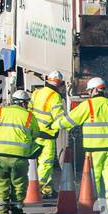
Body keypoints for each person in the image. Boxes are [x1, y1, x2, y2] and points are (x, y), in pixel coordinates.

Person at [0, 89, 44, 214]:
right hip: (19, 157)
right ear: (25, 104)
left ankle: (0, 211)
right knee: (19, 183)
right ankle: (16, 209)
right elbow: (35, 134)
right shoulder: (29, 116)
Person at [65, 76, 108, 210]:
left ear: (94, 91)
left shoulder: (88, 105)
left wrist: (54, 125)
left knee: (93, 177)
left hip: (93, 149)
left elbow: (70, 120)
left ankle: (95, 206)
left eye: (89, 91)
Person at [30, 71, 72, 201]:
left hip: (34, 132)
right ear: (59, 83)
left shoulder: (36, 92)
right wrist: (70, 126)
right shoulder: (55, 97)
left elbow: (30, 110)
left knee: (33, 161)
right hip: (47, 134)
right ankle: (42, 188)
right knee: (46, 163)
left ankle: (39, 187)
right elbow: (59, 117)